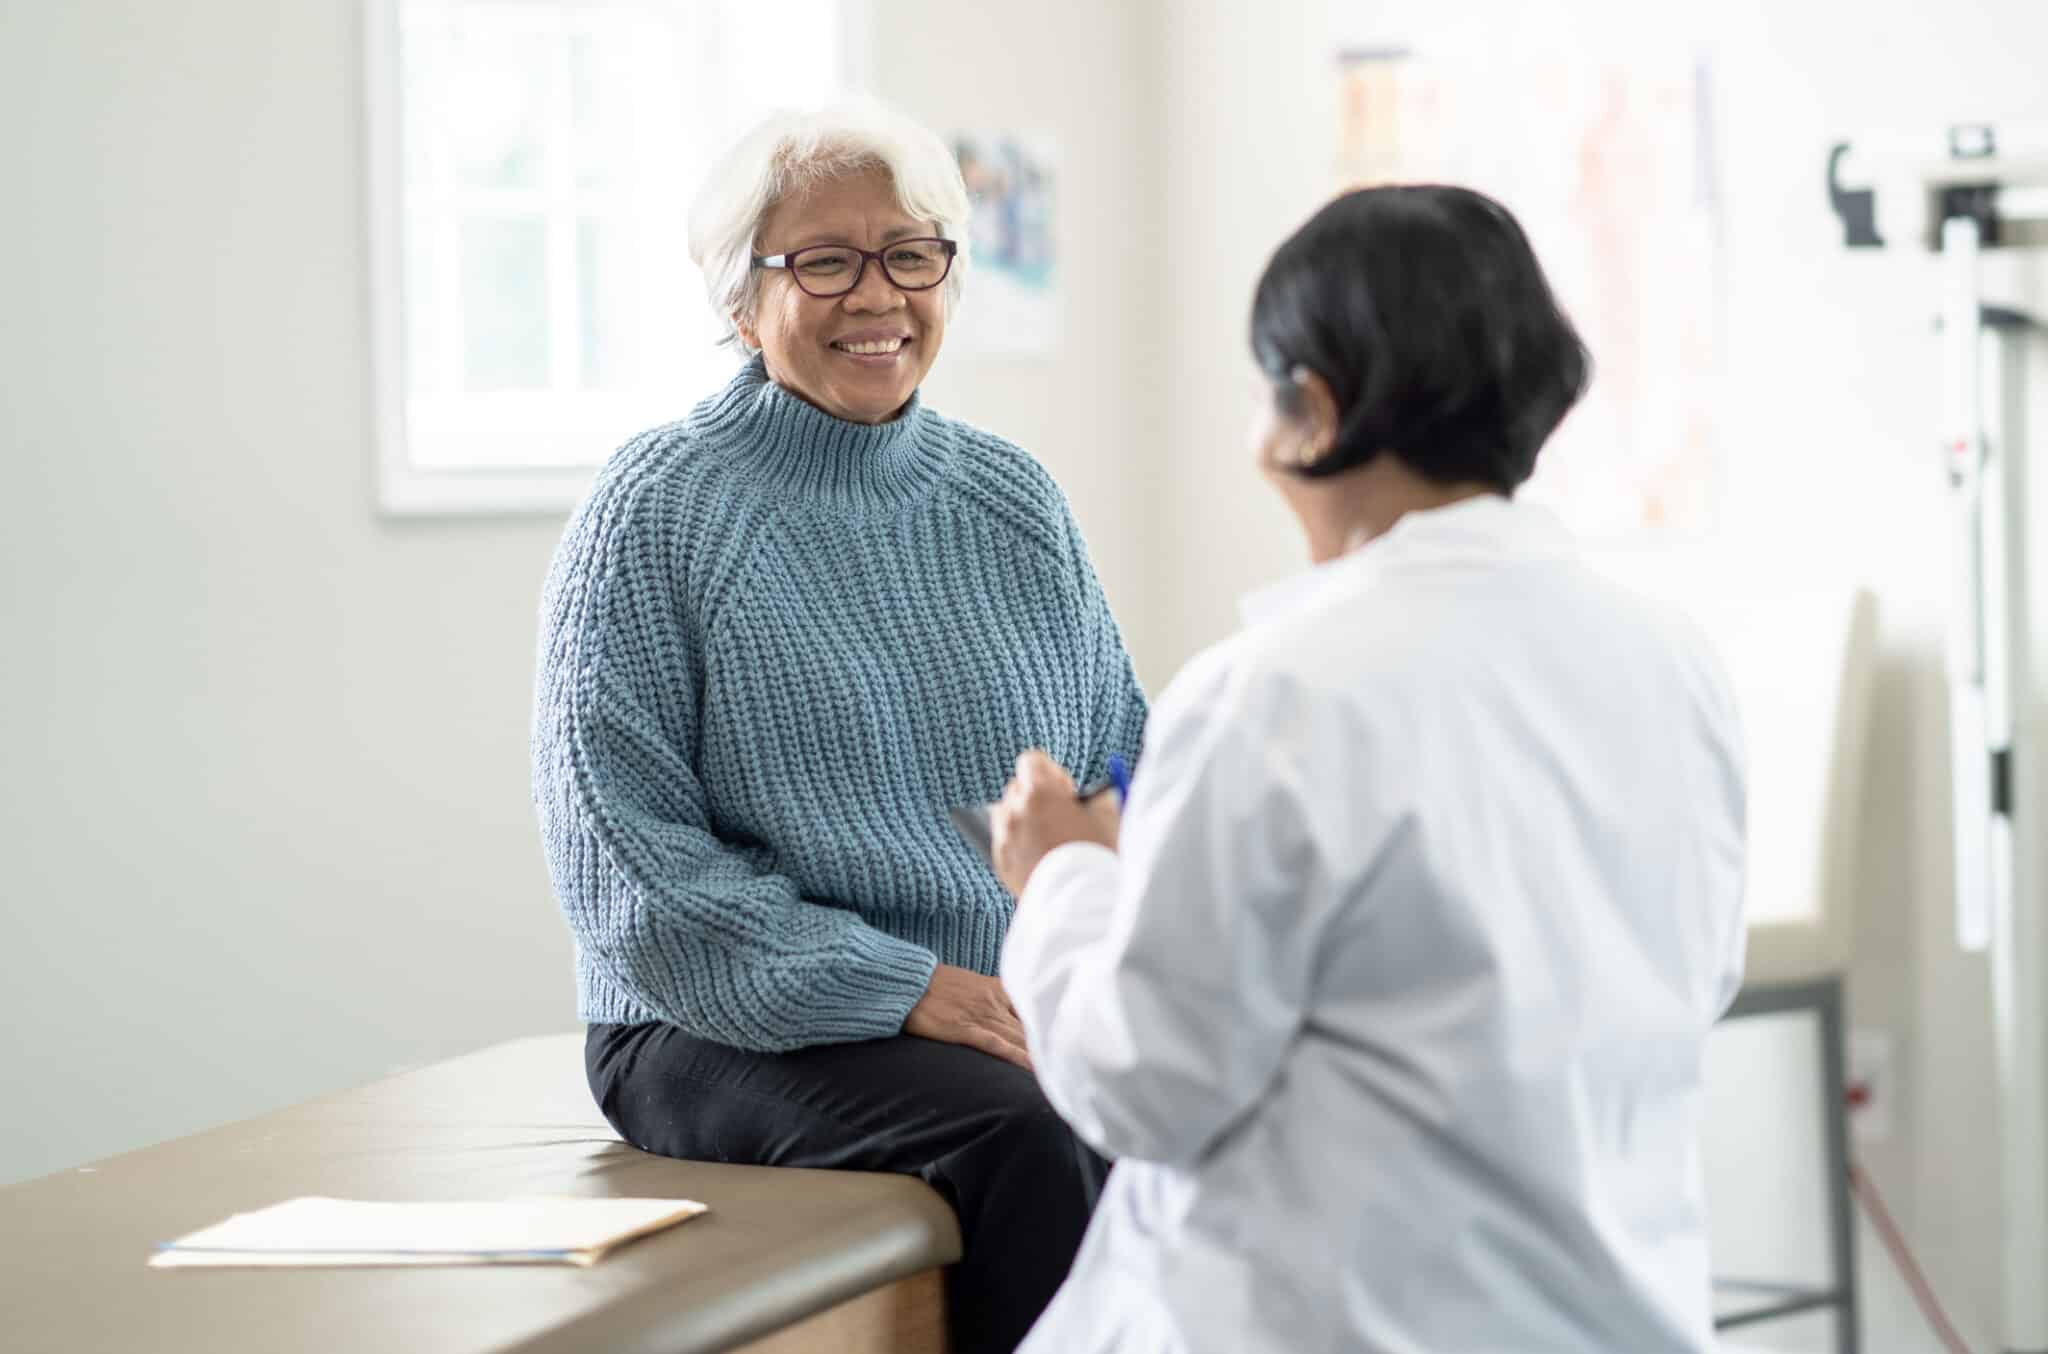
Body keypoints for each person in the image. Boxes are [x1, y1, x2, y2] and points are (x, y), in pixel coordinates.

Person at [990, 184, 1747, 1353]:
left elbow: (1141, 1086)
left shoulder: (1271, 692)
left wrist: (1064, 882)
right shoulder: (1672, 658)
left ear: (1310, 409)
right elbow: (1695, 977)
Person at [530, 101, 1147, 1354]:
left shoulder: (1012, 502)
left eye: (910, 254)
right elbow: (633, 879)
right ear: (739, 300)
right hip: (706, 1016)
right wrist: (901, 985)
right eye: (824, 260)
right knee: (1025, 1135)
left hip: (990, 1000)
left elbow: (1118, 764)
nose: (879, 295)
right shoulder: (657, 512)